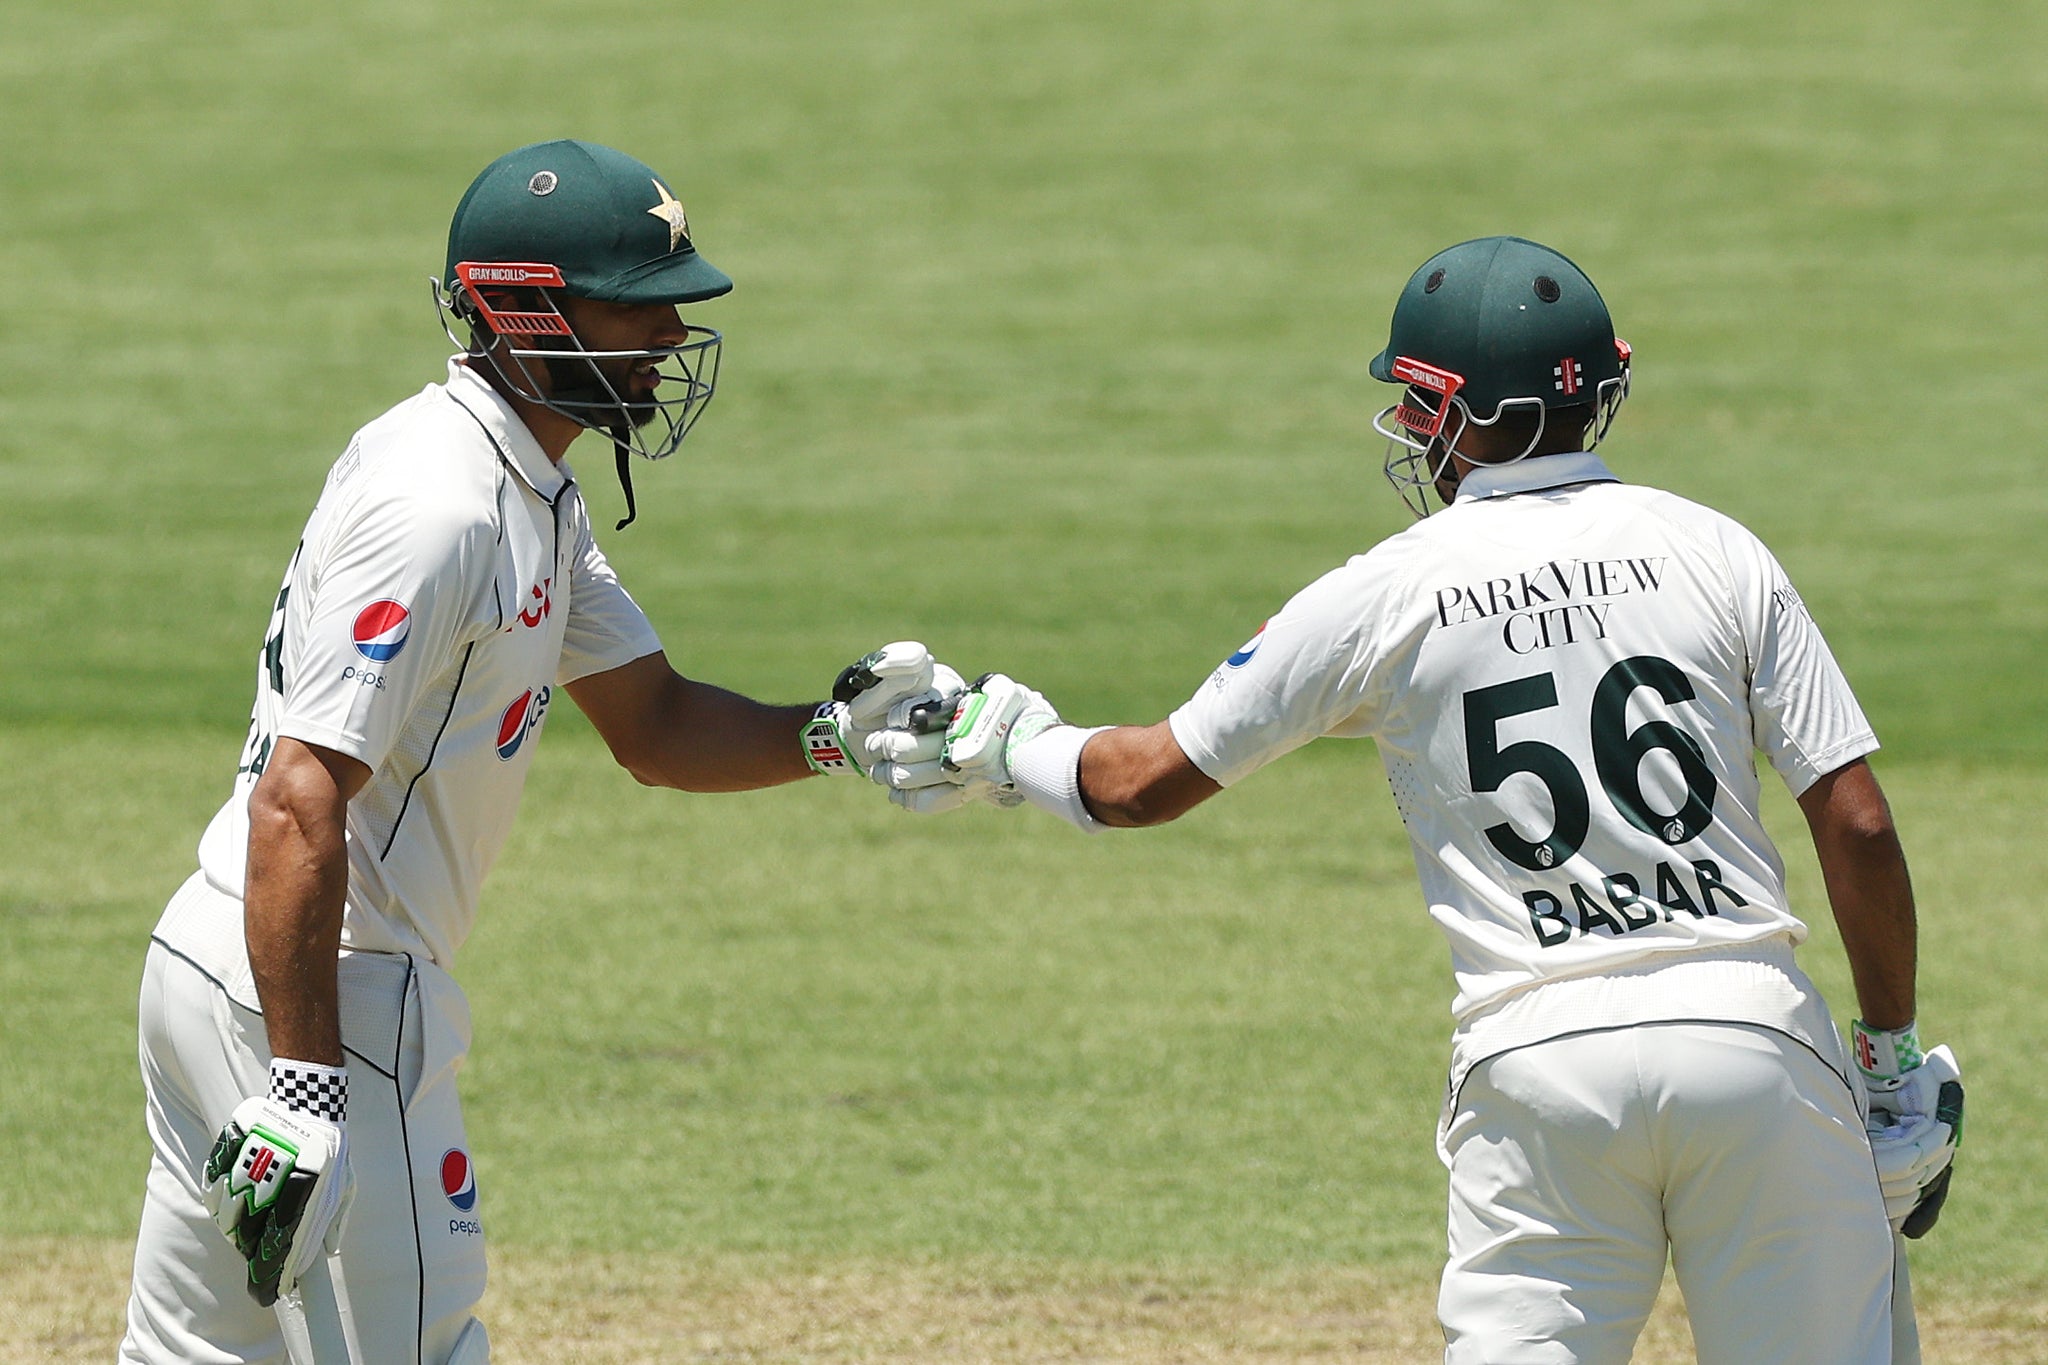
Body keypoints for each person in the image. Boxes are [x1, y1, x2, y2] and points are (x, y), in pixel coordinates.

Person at [896, 236, 1964, 1363]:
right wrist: (1888, 1056)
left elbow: (1138, 785)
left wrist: (998, 741)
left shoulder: (1386, 588)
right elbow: (1856, 820)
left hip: (1534, 1058)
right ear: (1602, 386)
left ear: (1441, 409)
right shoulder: (1714, 550)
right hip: (1751, 1034)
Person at [119, 139, 956, 1364]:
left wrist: (831, 735)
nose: (671, 337)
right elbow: (301, 797)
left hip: (237, 963)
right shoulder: (443, 506)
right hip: (320, 986)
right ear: (524, 312)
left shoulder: (530, 495)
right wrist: (304, 1096)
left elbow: (658, 725)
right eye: (640, 305)